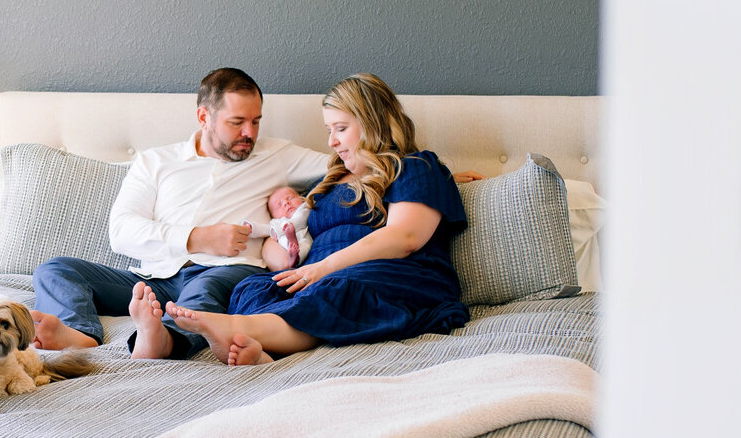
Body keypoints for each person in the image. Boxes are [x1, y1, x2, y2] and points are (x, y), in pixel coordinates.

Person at [167, 72, 469, 366]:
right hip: (320, 274)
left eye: (340, 128)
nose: (332, 143)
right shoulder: (325, 184)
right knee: (252, 289)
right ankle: (262, 352)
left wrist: (321, 269)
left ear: (372, 124)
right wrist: (280, 245)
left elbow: (405, 237)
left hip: (390, 272)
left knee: (336, 289)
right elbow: (289, 251)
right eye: (329, 131)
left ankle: (235, 329)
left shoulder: (414, 168)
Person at [31, 68, 329, 360]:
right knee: (55, 270)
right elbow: (121, 231)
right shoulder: (156, 162)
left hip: (228, 270)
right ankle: (78, 333)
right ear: (204, 117)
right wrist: (196, 239)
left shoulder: (278, 155)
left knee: (202, 291)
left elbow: (345, 164)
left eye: (256, 121)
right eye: (237, 122)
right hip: (155, 278)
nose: (249, 133)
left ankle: (163, 339)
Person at [248, 184, 314, 271]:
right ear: (273, 215)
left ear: (300, 198)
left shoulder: (304, 208)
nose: (286, 203)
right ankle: (292, 253)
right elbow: (267, 229)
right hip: (287, 242)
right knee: (281, 239)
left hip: (303, 233)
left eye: (290, 198)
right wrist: (253, 228)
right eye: (279, 205)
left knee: (306, 244)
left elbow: (300, 220)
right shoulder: (277, 221)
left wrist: (278, 230)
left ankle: (296, 256)